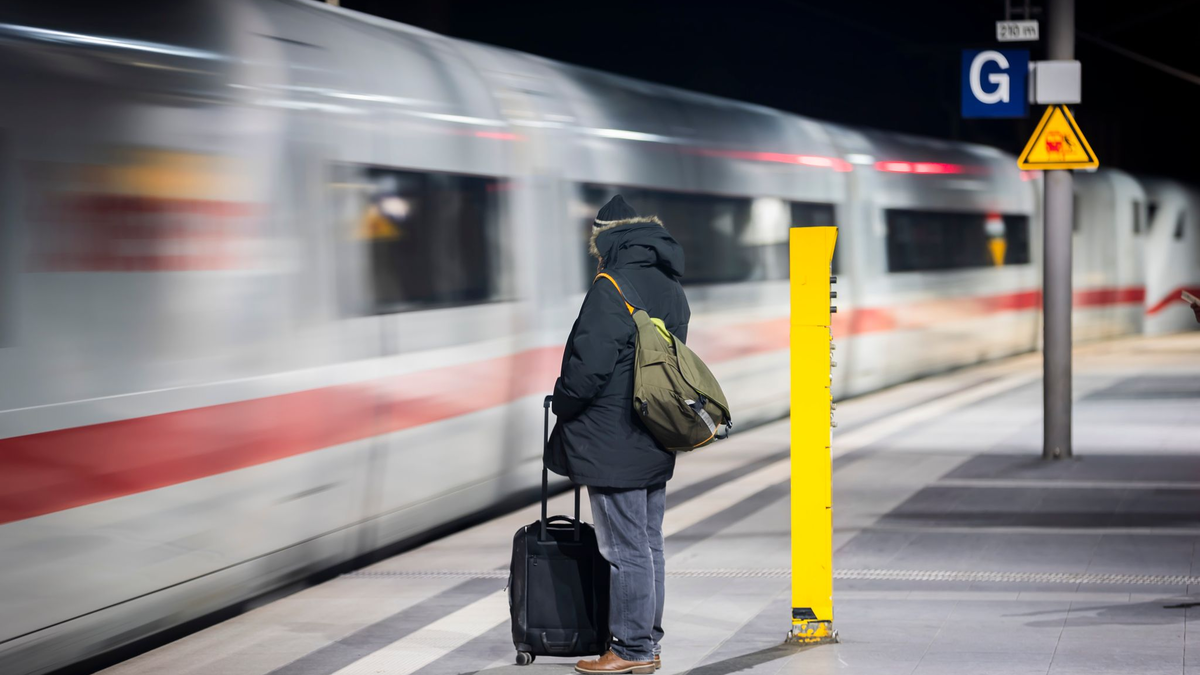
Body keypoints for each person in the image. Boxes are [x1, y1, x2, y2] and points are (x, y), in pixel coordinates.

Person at [546, 195, 690, 674]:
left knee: (624, 548)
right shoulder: (671, 285)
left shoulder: (611, 285)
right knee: (649, 544)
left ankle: (630, 651)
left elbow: (587, 370)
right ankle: (647, 641)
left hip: (611, 438)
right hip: (654, 429)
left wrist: (561, 402)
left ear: (605, 238)